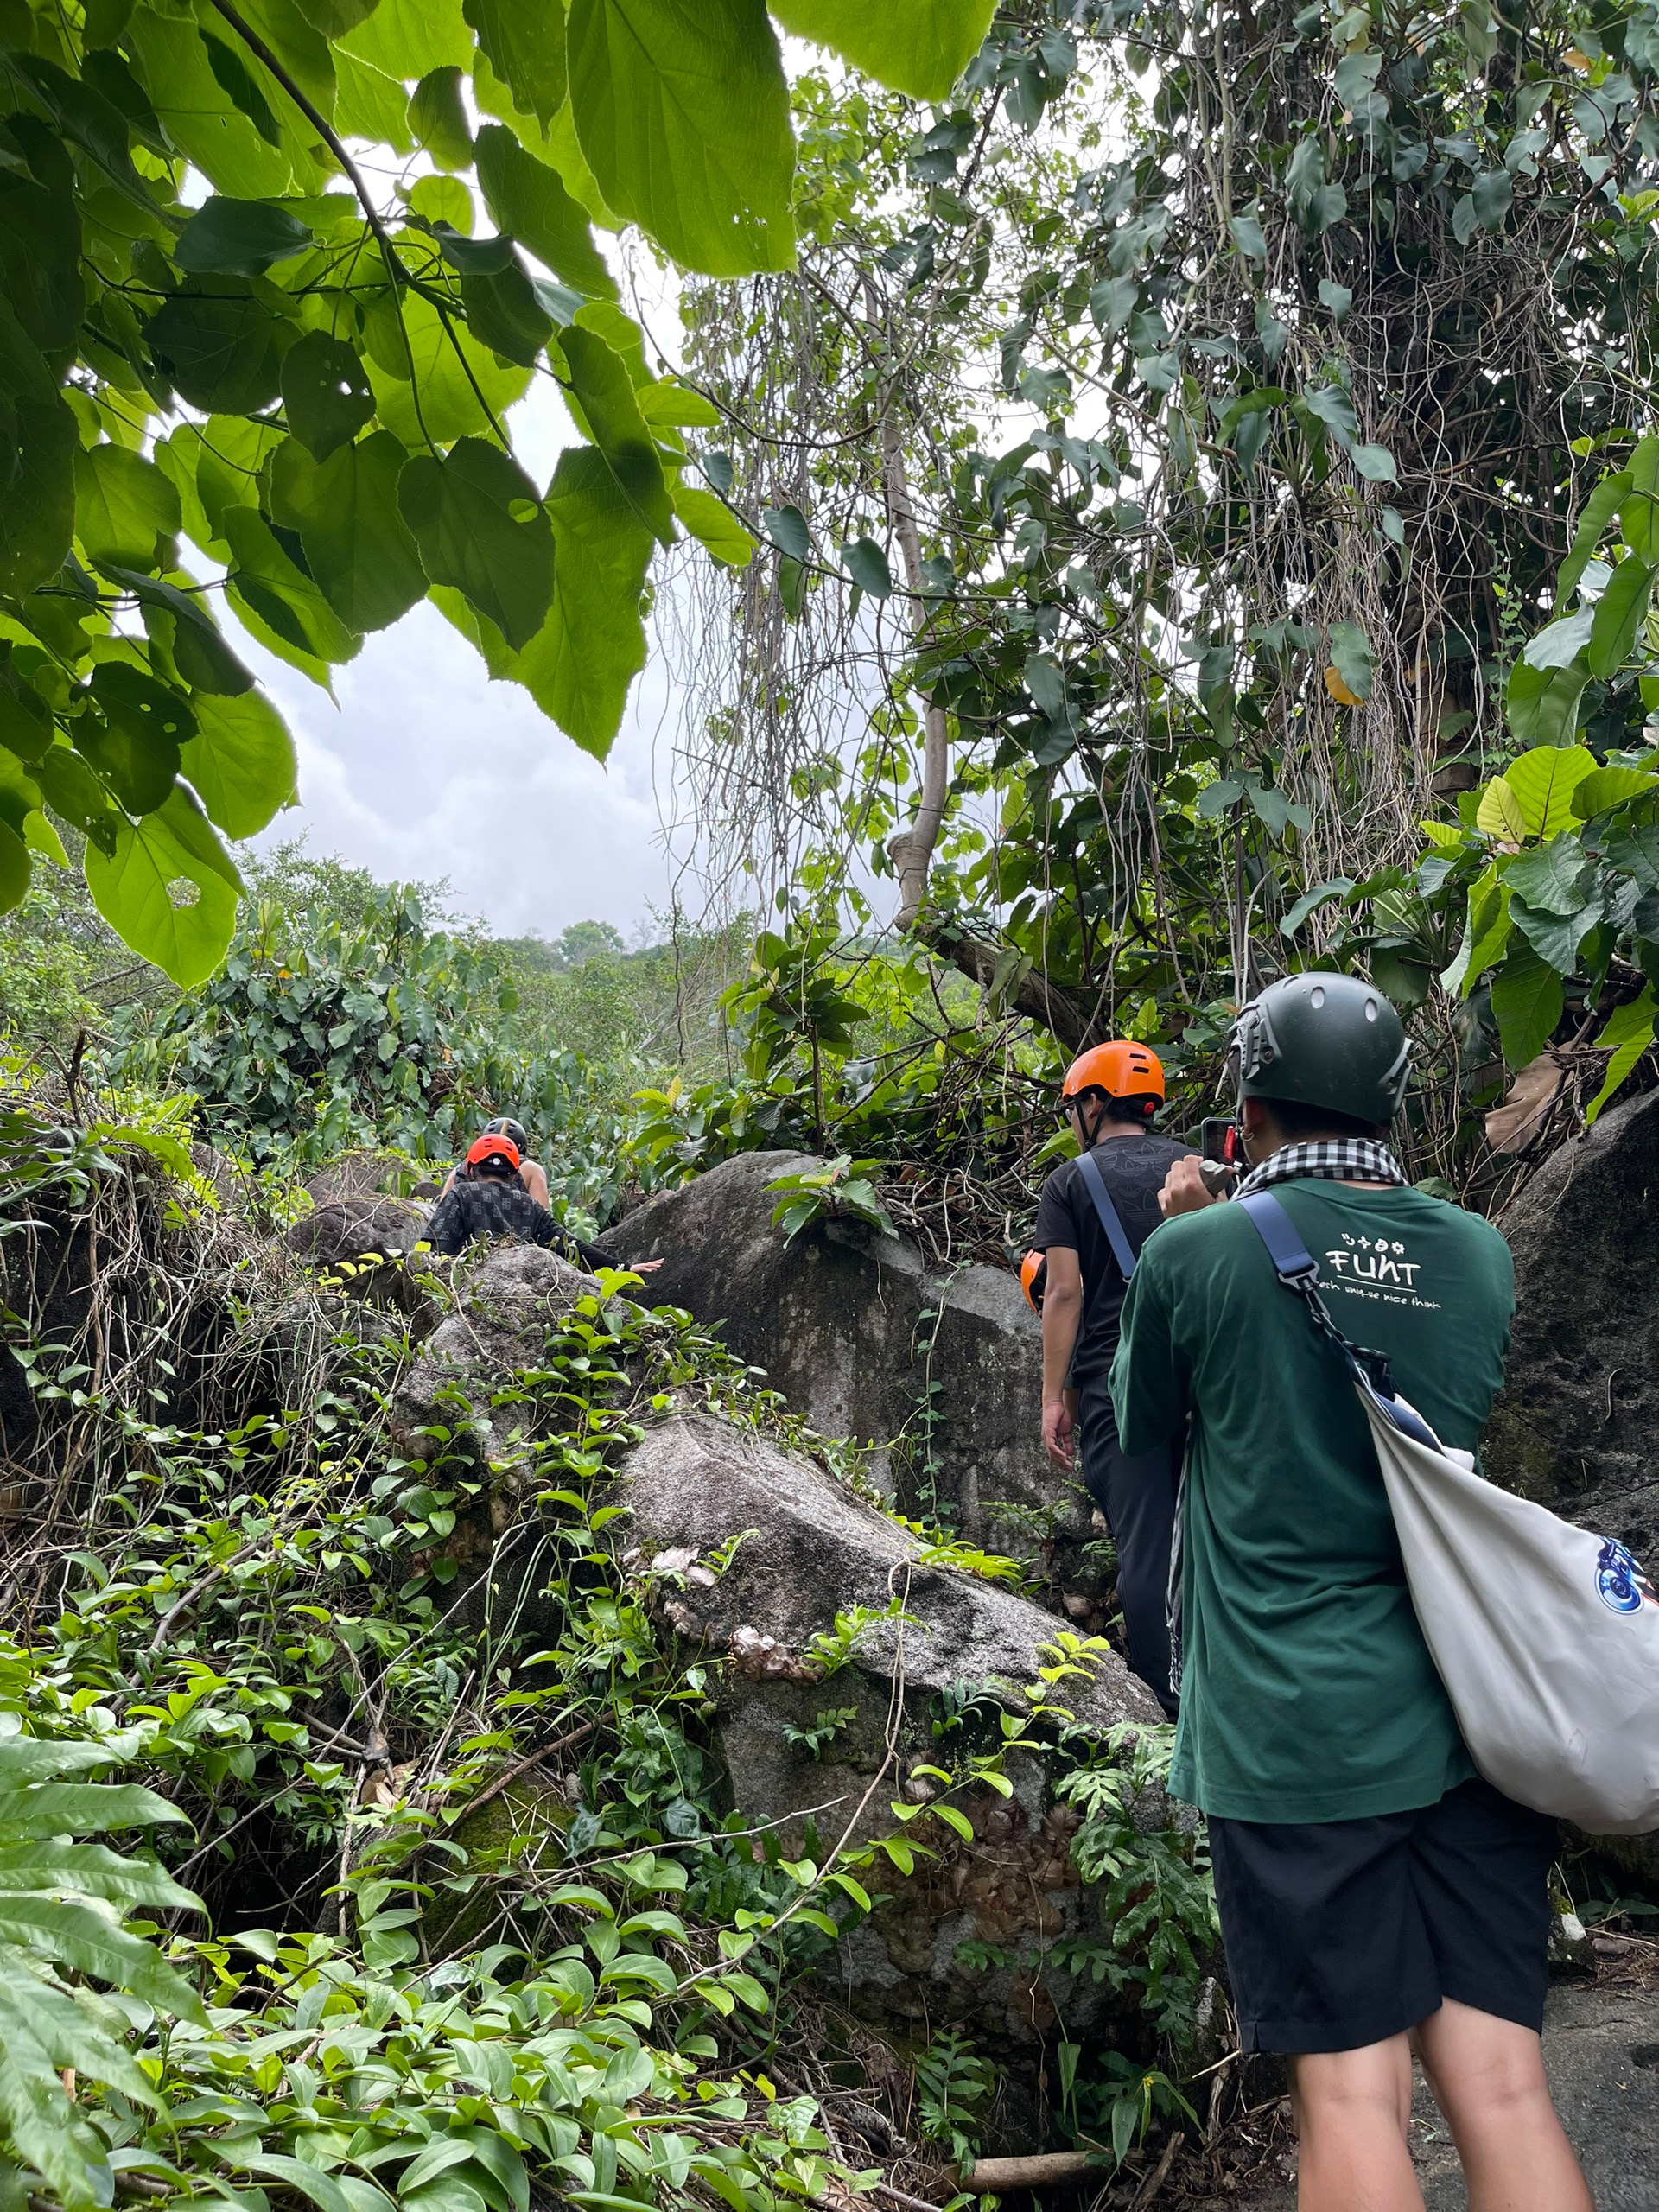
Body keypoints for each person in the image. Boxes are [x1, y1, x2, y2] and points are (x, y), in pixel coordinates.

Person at [1109, 973, 1589, 2212]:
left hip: (1295, 1726)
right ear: (1390, 1105)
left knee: (1351, 2093)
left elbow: (1141, 1425)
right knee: (1501, 2085)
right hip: (1477, 1713)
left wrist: (1192, 1219)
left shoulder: (1197, 1248)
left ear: (1248, 1100)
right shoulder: (1478, 1253)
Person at [1030, 1039, 1194, 1715]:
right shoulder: (1196, 1167)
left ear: (1094, 1104)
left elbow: (1064, 1294)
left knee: (1148, 1549)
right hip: (1210, 1375)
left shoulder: (1071, 1182)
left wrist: (1053, 1399)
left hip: (1117, 1390)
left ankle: (1170, 1710)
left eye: (1075, 1107)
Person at [428, 1131, 648, 1273]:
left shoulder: (460, 1194)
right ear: (514, 1175)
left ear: (469, 1168)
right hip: (518, 1285)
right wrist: (623, 1267)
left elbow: (437, 1248)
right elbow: (568, 1242)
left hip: (468, 1283)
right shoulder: (529, 1204)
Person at [439, 1116, 551, 1206]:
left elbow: (442, 1211)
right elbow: (542, 1213)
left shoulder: (460, 1170)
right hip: (513, 1232)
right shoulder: (531, 1169)